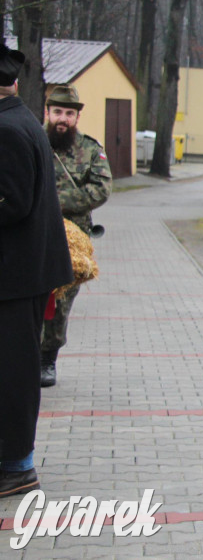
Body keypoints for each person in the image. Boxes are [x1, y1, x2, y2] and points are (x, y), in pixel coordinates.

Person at [0, 42, 73, 498]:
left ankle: (15, 465)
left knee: (12, 373)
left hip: (13, 277)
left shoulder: (7, 130)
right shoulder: (20, 120)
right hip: (22, 274)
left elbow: (11, 204)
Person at [40, 84, 112, 387]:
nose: (63, 119)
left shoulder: (90, 149)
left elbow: (101, 188)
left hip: (72, 241)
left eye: (69, 113)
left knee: (60, 302)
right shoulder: (32, 141)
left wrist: (57, 202)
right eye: (58, 112)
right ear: (47, 112)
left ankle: (47, 360)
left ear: (77, 117)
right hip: (33, 233)